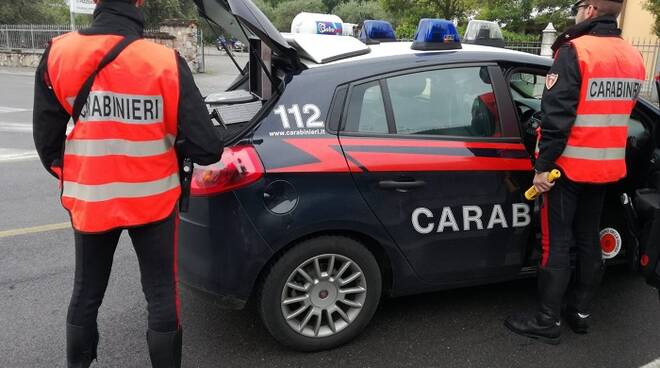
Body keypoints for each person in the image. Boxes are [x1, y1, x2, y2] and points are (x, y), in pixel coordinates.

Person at [32, 0, 223, 366]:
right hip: (153, 202)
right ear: (139, 3)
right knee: (162, 296)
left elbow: (47, 144)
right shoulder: (165, 61)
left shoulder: (59, 53)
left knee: (86, 293)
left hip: (91, 200)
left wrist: (81, 175)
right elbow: (207, 149)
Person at [504, 0, 646, 344]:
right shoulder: (632, 57)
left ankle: (547, 320)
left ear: (592, 9)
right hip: (607, 169)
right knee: (588, 240)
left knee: (557, 243)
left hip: (566, 170)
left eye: (580, 5)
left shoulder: (576, 51)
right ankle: (580, 313)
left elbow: (556, 119)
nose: (577, 10)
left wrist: (542, 167)